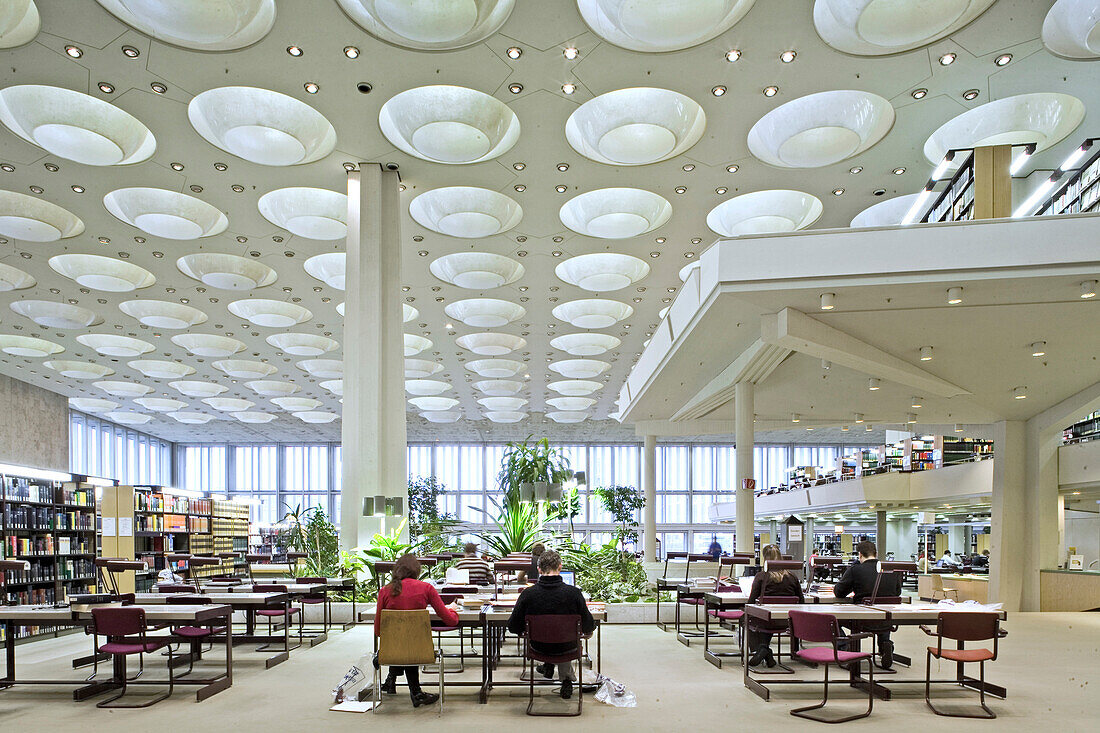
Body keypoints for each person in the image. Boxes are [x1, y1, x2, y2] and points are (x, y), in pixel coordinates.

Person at [508, 550, 595, 700]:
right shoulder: (573, 594)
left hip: (538, 648)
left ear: (539, 569)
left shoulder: (528, 594)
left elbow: (513, 627)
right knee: (565, 636)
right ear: (560, 567)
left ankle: (548, 665)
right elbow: (588, 626)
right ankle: (566, 680)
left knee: (551, 633)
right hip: (568, 648)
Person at [374, 554, 459, 707]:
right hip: (420, 650)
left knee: (402, 640)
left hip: (391, 651)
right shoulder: (426, 588)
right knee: (410, 641)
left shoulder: (385, 591)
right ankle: (415, 692)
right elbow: (450, 620)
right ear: (417, 571)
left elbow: (378, 631)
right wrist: (452, 610)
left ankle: (391, 681)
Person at [834, 540, 900, 669]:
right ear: (876, 553)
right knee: (881, 613)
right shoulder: (891, 570)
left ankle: (845, 648)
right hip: (887, 619)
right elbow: (897, 593)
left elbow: (839, 592)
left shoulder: (855, 569)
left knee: (833, 620)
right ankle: (885, 645)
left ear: (859, 555)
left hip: (861, 619)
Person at [746, 544, 804, 668]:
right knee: (767, 619)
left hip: (765, 621)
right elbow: (802, 601)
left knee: (748, 618)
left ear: (765, 559)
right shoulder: (792, 577)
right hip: (787, 622)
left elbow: (750, 602)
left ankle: (760, 649)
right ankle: (767, 653)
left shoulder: (761, 576)